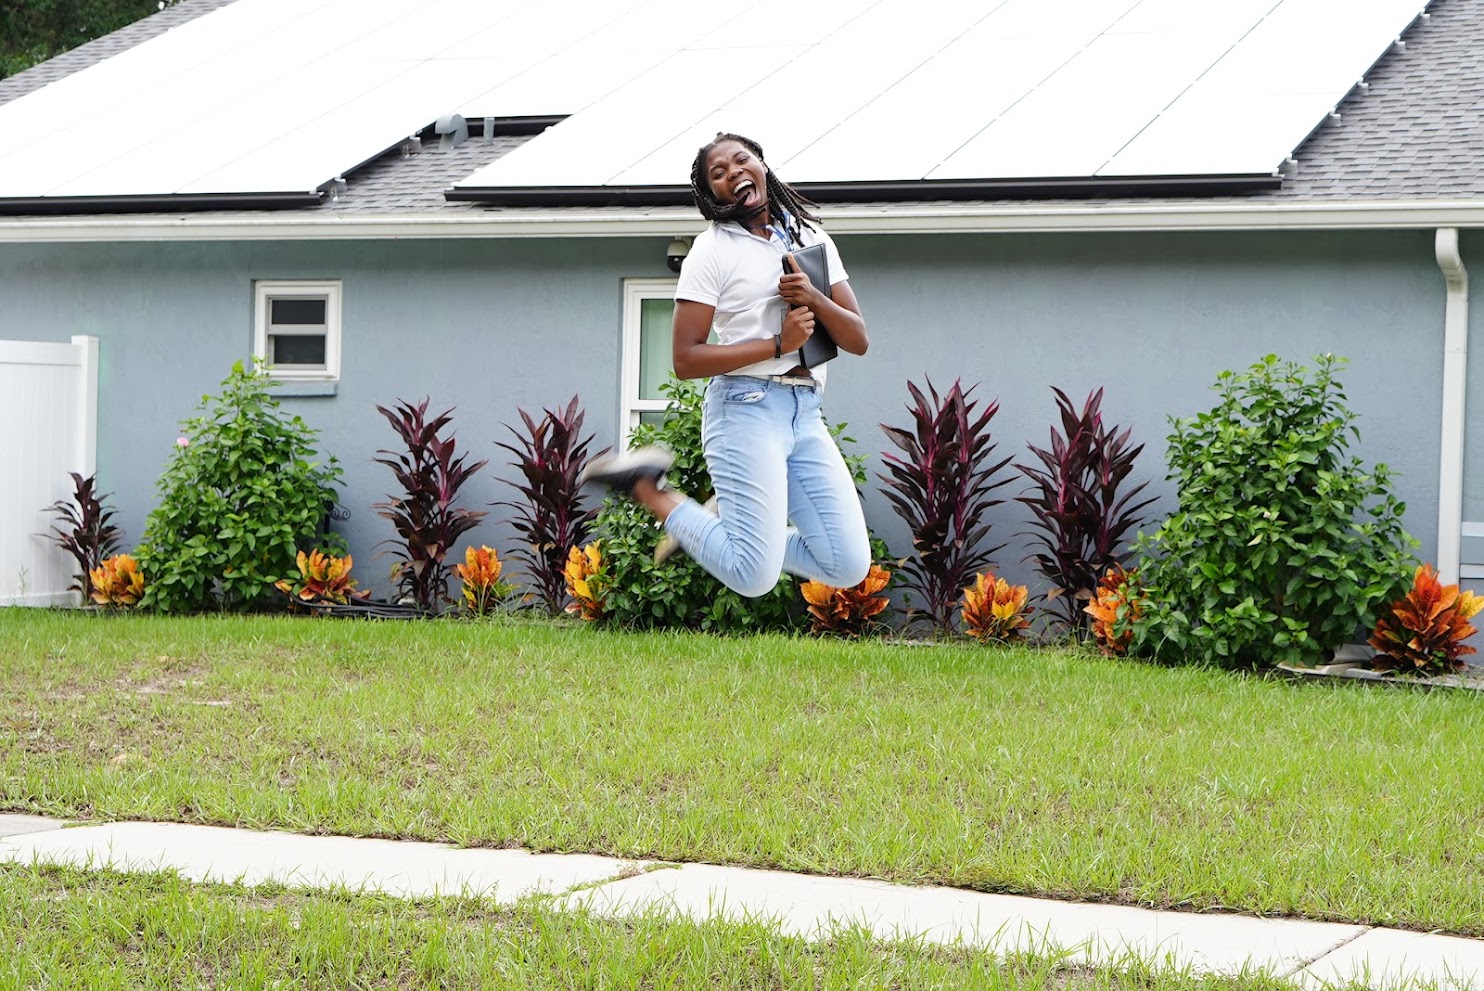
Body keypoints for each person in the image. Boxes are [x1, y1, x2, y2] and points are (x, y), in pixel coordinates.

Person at [581, 132, 871, 598]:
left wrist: (813, 297)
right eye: (719, 173)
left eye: (742, 160)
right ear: (712, 195)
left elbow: (857, 338)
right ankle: (647, 488)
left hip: (805, 411)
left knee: (847, 563)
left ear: (761, 165)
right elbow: (685, 358)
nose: (734, 172)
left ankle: (709, 522)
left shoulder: (810, 236)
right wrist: (780, 342)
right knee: (753, 576)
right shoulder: (712, 250)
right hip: (745, 408)